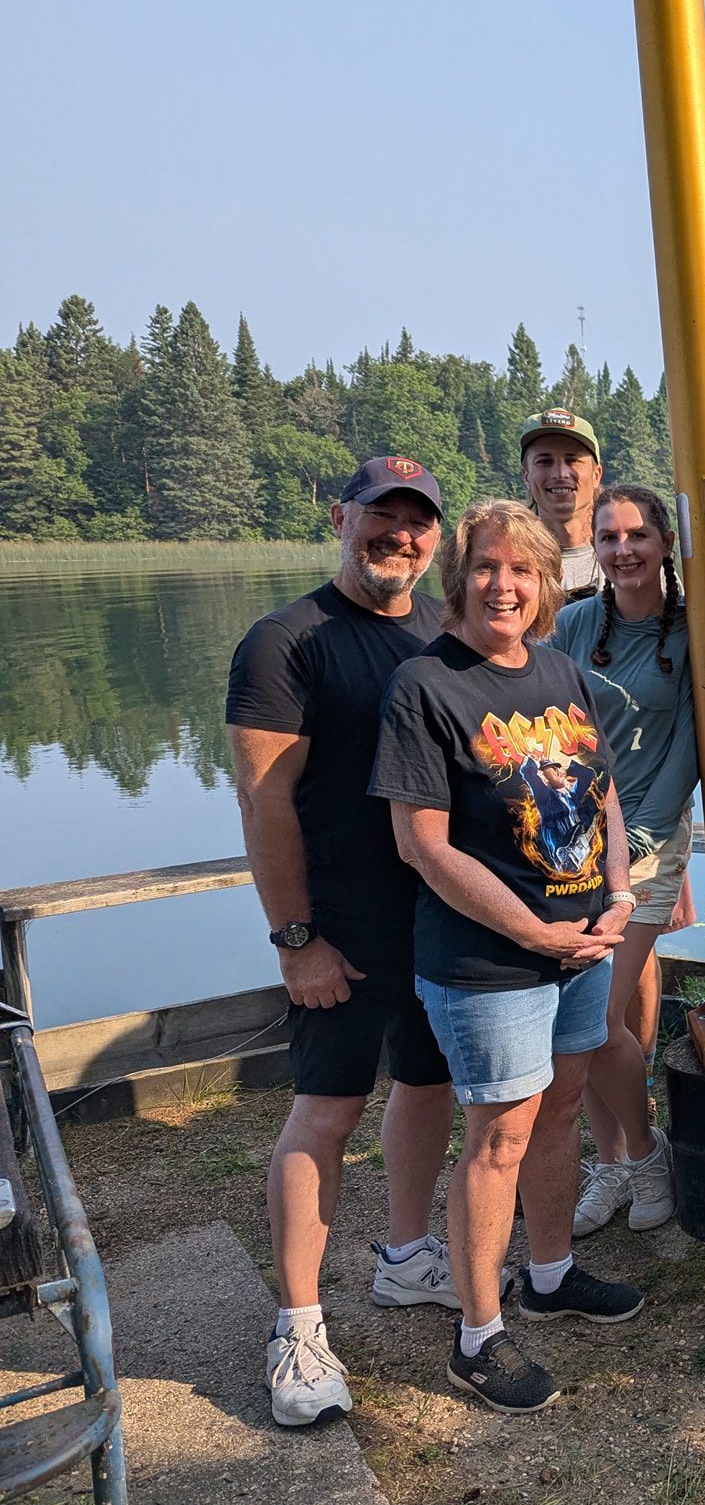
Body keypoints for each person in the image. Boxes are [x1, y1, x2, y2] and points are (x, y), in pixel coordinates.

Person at [371, 500, 643, 1414]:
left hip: (583, 944)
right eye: (487, 567)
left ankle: (552, 1274)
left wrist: (619, 895)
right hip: (487, 963)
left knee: (561, 1110)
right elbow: (421, 844)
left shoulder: (558, 668)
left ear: (545, 583)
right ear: (460, 577)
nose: (504, 585)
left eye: (523, 570)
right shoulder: (425, 686)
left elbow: (602, 793)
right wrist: (532, 933)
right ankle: (477, 1336)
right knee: (499, 1138)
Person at [227, 455, 458, 1428]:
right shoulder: (286, 641)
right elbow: (264, 799)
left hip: (438, 919)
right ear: (340, 518)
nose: (399, 535)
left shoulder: (446, 629)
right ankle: (298, 1325)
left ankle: (407, 1256)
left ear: (436, 537)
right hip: (342, 929)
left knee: (428, 1084)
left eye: (418, 521)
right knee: (326, 1111)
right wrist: (296, 940)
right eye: (380, 515)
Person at [548, 485, 699, 1239]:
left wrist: (634, 839)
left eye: (637, 534)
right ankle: (612, 1162)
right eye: (608, 537)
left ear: (666, 542)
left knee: (599, 1016)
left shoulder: (695, 630)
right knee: (573, 1019)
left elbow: (690, 751)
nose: (623, 549)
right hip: (569, 840)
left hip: (647, 842)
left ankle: (644, 1154)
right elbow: (545, 725)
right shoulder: (575, 624)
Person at [519, 408, 606, 600]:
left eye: (572, 460)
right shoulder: (509, 561)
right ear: (526, 475)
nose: (560, 474)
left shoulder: (629, 558)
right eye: (545, 462)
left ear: (596, 475)